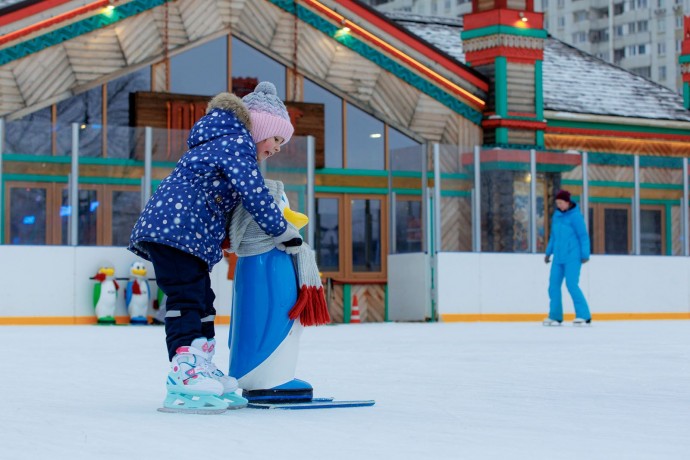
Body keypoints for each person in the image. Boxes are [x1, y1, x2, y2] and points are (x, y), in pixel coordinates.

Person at [128, 81, 303, 413]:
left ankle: (202, 364)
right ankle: (184, 371)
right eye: (277, 139)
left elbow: (218, 200)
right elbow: (254, 194)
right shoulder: (236, 143)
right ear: (260, 128)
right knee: (187, 297)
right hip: (174, 232)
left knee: (203, 300)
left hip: (185, 235)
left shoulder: (221, 144)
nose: (278, 148)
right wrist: (281, 230)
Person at [543, 189, 592, 326]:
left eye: (561, 203)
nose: (559, 205)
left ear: (567, 202)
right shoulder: (557, 216)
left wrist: (585, 254)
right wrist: (548, 252)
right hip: (558, 257)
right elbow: (553, 236)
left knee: (571, 284)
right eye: (557, 203)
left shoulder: (575, 216)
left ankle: (584, 315)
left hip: (573, 256)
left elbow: (583, 236)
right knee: (553, 286)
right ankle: (555, 315)